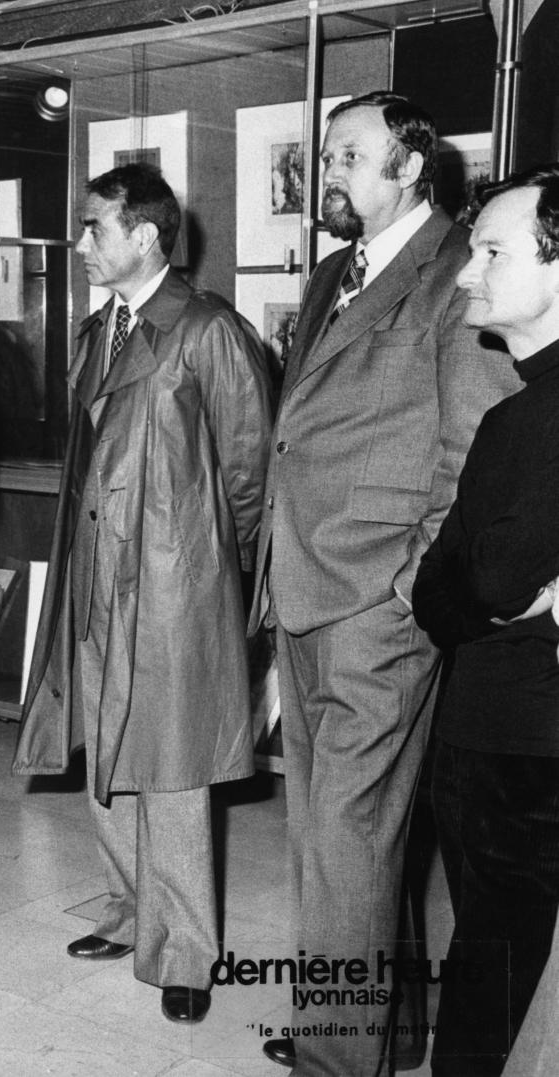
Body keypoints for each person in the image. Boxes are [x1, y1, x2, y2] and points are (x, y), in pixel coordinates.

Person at [251, 92, 520, 1075]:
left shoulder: (460, 275)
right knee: (341, 844)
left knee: (348, 842)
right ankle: (380, 1028)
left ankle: (336, 1059)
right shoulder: (334, 273)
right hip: (307, 589)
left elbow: (475, 456)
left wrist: (409, 592)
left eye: (350, 155)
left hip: (378, 606)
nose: (330, 172)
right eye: (327, 156)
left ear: (411, 165)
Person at [11, 164, 272, 1024]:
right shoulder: (97, 331)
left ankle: (187, 947)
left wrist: (204, 579)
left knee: (173, 769)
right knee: (103, 746)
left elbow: (250, 478)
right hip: (93, 574)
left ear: (146, 236)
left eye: (95, 228)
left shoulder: (210, 332)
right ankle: (129, 908)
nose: (82, 244)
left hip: (173, 586)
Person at [411, 164, 559, 1076]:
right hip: (494, 733)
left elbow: (486, 574)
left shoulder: (532, 421)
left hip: (520, 752)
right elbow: (442, 591)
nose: (468, 273)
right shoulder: (516, 412)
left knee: (488, 992)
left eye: (493, 251)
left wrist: (489, 587)